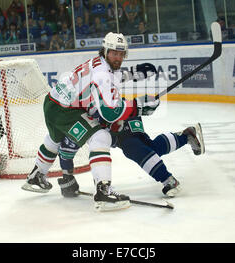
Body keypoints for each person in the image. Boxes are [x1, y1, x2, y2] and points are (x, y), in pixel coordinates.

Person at [21, 32, 160, 211]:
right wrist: (139, 106)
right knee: (101, 137)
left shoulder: (100, 63)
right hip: (66, 111)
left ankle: (36, 175)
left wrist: (134, 74)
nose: (118, 57)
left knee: (54, 139)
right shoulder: (102, 73)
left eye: (121, 54)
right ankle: (103, 191)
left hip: (52, 103)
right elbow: (110, 113)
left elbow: (112, 76)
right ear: (105, 51)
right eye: (114, 53)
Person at [58, 117, 205, 198]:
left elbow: (66, 150)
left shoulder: (75, 121)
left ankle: (168, 180)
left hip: (120, 116)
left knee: (132, 147)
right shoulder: (73, 125)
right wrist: (67, 178)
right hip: (116, 122)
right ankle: (186, 137)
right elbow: (66, 151)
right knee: (150, 148)